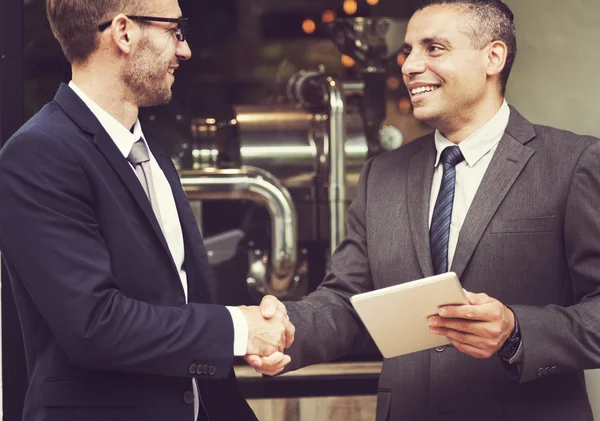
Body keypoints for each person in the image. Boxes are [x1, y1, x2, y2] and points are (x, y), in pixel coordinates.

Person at [247, 0, 600, 420]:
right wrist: (286, 329)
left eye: (434, 48)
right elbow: (348, 300)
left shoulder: (573, 162)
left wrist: (515, 330)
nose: (410, 65)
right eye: (408, 51)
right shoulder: (382, 174)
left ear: (493, 57)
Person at [0, 0, 294, 420]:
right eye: (174, 30)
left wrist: (241, 340)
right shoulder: (37, 154)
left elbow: (171, 300)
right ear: (123, 32)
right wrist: (237, 330)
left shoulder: (150, 150)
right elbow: (94, 325)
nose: (185, 49)